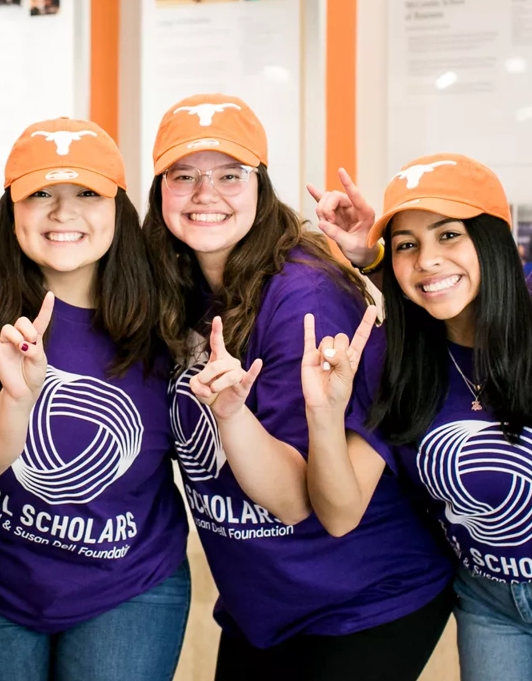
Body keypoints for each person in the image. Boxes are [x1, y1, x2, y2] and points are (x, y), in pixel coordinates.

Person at [305, 154, 532, 681]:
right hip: (488, 601)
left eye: (449, 236)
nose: (426, 261)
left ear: (491, 240)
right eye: (406, 246)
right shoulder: (392, 356)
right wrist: (324, 416)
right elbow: (339, 513)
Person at [144, 94, 453, 680]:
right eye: (184, 176)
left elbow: (295, 501)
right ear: (160, 189)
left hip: (361, 599)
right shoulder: (171, 284)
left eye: (229, 175)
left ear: (260, 186)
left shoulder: (303, 297)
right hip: (263, 603)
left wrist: (233, 417)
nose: (205, 193)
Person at [0, 119, 190, 680]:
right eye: (41, 193)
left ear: (118, 207)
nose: (63, 212)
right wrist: (17, 396)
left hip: (131, 583)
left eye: (87, 194)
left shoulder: (166, 302)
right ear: (11, 208)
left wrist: (367, 257)